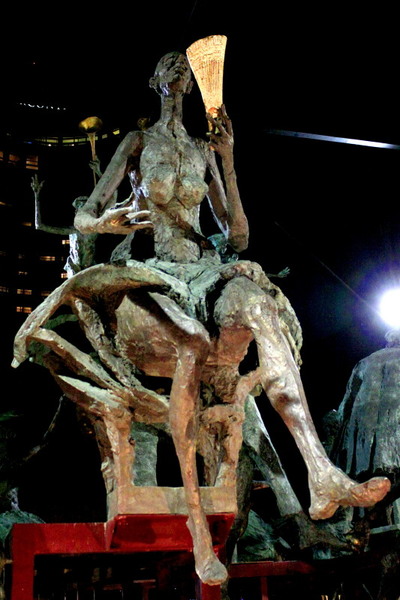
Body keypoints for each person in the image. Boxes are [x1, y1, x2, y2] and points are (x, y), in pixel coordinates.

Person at [15, 52, 390, 586]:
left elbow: (238, 236)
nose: (178, 72)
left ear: (191, 84)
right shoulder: (137, 142)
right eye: (169, 66)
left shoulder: (201, 149)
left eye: (183, 68)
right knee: (192, 341)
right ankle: (195, 525)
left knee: (262, 309)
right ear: (154, 81)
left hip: (204, 270)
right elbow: (83, 215)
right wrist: (107, 221)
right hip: (151, 272)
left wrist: (228, 161)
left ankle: (321, 474)